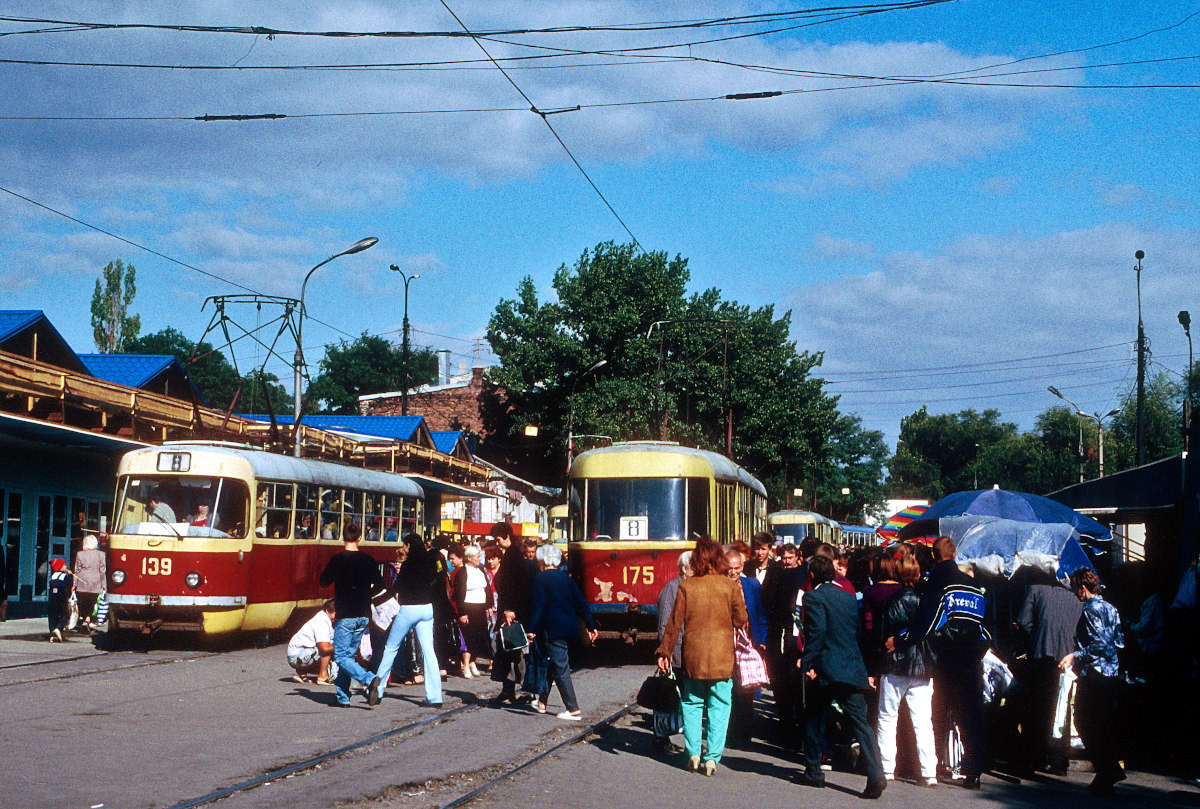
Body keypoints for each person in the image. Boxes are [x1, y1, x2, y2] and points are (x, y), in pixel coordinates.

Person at [900, 536, 990, 789]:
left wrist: (903, 638)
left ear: (934, 554)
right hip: (971, 659)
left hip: (944, 657)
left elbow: (929, 620)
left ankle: (936, 765)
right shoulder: (974, 586)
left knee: (938, 713)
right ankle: (973, 771)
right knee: (970, 715)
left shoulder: (936, 581)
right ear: (955, 554)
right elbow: (986, 630)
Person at [656, 536, 749, 777]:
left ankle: (694, 753)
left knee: (692, 703)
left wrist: (664, 651)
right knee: (720, 705)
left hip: (693, 656)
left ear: (697, 560)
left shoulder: (687, 586)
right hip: (721, 657)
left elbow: (674, 624)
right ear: (719, 559)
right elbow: (740, 620)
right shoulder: (729, 586)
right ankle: (712, 758)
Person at [797, 554, 887, 799]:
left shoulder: (812, 597)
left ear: (812, 575)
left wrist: (807, 662)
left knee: (814, 719)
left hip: (825, 667)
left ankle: (814, 771)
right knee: (861, 723)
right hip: (850, 666)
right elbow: (856, 632)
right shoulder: (848, 598)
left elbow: (817, 633)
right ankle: (876, 774)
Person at [1060, 567, 1126, 795]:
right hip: (1111, 673)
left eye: (1075, 588)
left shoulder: (1090, 609)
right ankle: (1107, 773)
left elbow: (1099, 645)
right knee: (1102, 724)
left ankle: (1107, 769)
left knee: (1083, 721)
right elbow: (1119, 642)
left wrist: (1074, 655)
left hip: (1095, 673)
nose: (1075, 594)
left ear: (1083, 588)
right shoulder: (1111, 608)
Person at [877, 547, 937, 787]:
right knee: (923, 720)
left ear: (898, 573)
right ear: (919, 574)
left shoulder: (891, 602)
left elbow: (883, 635)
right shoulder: (927, 603)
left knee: (887, 717)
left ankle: (886, 767)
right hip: (922, 666)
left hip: (895, 666)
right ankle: (928, 771)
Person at [1016, 570, 1083, 775]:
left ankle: (1033, 759)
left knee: (1037, 708)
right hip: (1067, 659)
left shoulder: (1035, 590)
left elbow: (1023, 621)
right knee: (1062, 710)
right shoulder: (1076, 598)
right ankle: (1059, 761)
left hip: (1041, 655)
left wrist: (1037, 636)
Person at [370, 533, 444, 707]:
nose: (403, 548)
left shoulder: (408, 564)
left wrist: (376, 600)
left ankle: (377, 689)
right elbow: (437, 582)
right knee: (428, 651)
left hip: (409, 608)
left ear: (409, 545)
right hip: (427, 608)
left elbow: (396, 587)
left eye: (404, 545)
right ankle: (435, 697)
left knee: (391, 647)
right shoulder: (430, 560)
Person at [318, 523, 386, 707]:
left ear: (342, 537)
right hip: (363, 614)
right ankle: (343, 697)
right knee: (347, 656)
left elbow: (323, 581)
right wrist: (366, 596)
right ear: (359, 538)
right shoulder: (368, 559)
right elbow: (381, 584)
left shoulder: (338, 560)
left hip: (345, 614)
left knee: (340, 657)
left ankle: (369, 679)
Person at [525, 544, 597, 719]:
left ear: (542, 560)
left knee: (561, 667)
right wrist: (591, 625)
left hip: (552, 628)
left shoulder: (540, 579)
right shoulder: (567, 579)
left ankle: (573, 709)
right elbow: (581, 603)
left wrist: (531, 629)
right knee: (553, 663)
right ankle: (542, 702)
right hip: (569, 627)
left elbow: (538, 607)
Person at [762, 542, 807, 730]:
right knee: (779, 673)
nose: (787, 562)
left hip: (794, 628)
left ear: (797, 556)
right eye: (784, 558)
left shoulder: (802, 574)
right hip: (778, 628)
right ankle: (785, 717)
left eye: (790, 558)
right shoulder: (776, 573)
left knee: (793, 675)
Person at [726, 548, 768, 748]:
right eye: (729, 568)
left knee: (747, 691)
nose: (732, 572)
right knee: (729, 690)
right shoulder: (719, 585)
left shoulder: (752, 585)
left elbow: (760, 614)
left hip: (748, 644)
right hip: (725, 645)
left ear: (742, 567)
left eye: (736, 568)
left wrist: (762, 641)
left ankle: (745, 735)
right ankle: (731, 732)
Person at [652, 550, 692, 753]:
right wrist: (663, 653)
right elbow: (665, 624)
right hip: (675, 652)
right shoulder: (671, 589)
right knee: (667, 695)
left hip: (688, 652)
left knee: (684, 696)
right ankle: (661, 737)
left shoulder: (690, 587)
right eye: (694, 566)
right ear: (684, 568)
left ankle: (684, 739)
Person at [490, 522, 534, 704]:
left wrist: (510, 609)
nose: (497, 543)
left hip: (512, 613)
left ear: (507, 535)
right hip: (508, 611)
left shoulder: (514, 555)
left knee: (516, 652)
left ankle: (527, 689)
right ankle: (508, 689)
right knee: (507, 651)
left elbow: (516, 586)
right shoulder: (512, 554)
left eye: (499, 539)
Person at [453, 544, 494, 679]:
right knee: (468, 638)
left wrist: (489, 605)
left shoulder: (481, 570)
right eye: (477, 557)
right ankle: (465, 665)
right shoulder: (462, 573)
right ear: (469, 558)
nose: (479, 558)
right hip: (468, 607)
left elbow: (487, 588)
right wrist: (462, 613)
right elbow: (459, 593)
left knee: (479, 637)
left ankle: (472, 662)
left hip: (480, 607)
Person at [288, 600, 336, 684]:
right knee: (328, 647)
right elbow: (325, 648)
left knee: (331, 648)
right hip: (299, 655)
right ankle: (323, 677)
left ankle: (301, 671)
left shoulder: (324, 618)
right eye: (336, 614)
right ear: (327, 611)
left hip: (299, 655)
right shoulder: (322, 621)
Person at [72, 535, 106, 634]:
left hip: (82, 581)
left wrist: (74, 584)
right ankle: (87, 619)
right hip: (95, 581)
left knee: (83, 601)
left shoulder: (80, 554)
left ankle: (84, 619)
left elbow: (76, 571)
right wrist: (104, 585)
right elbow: (102, 571)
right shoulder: (101, 555)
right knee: (92, 601)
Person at [47, 558, 73, 642]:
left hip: (52, 598)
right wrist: (70, 575)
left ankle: (52, 634)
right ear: (60, 567)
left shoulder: (52, 576)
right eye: (64, 565)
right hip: (61, 597)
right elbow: (69, 584)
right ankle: (58, 628)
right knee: (65, 615)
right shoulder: (64, 576)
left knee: (52, 616)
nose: (66, 566)